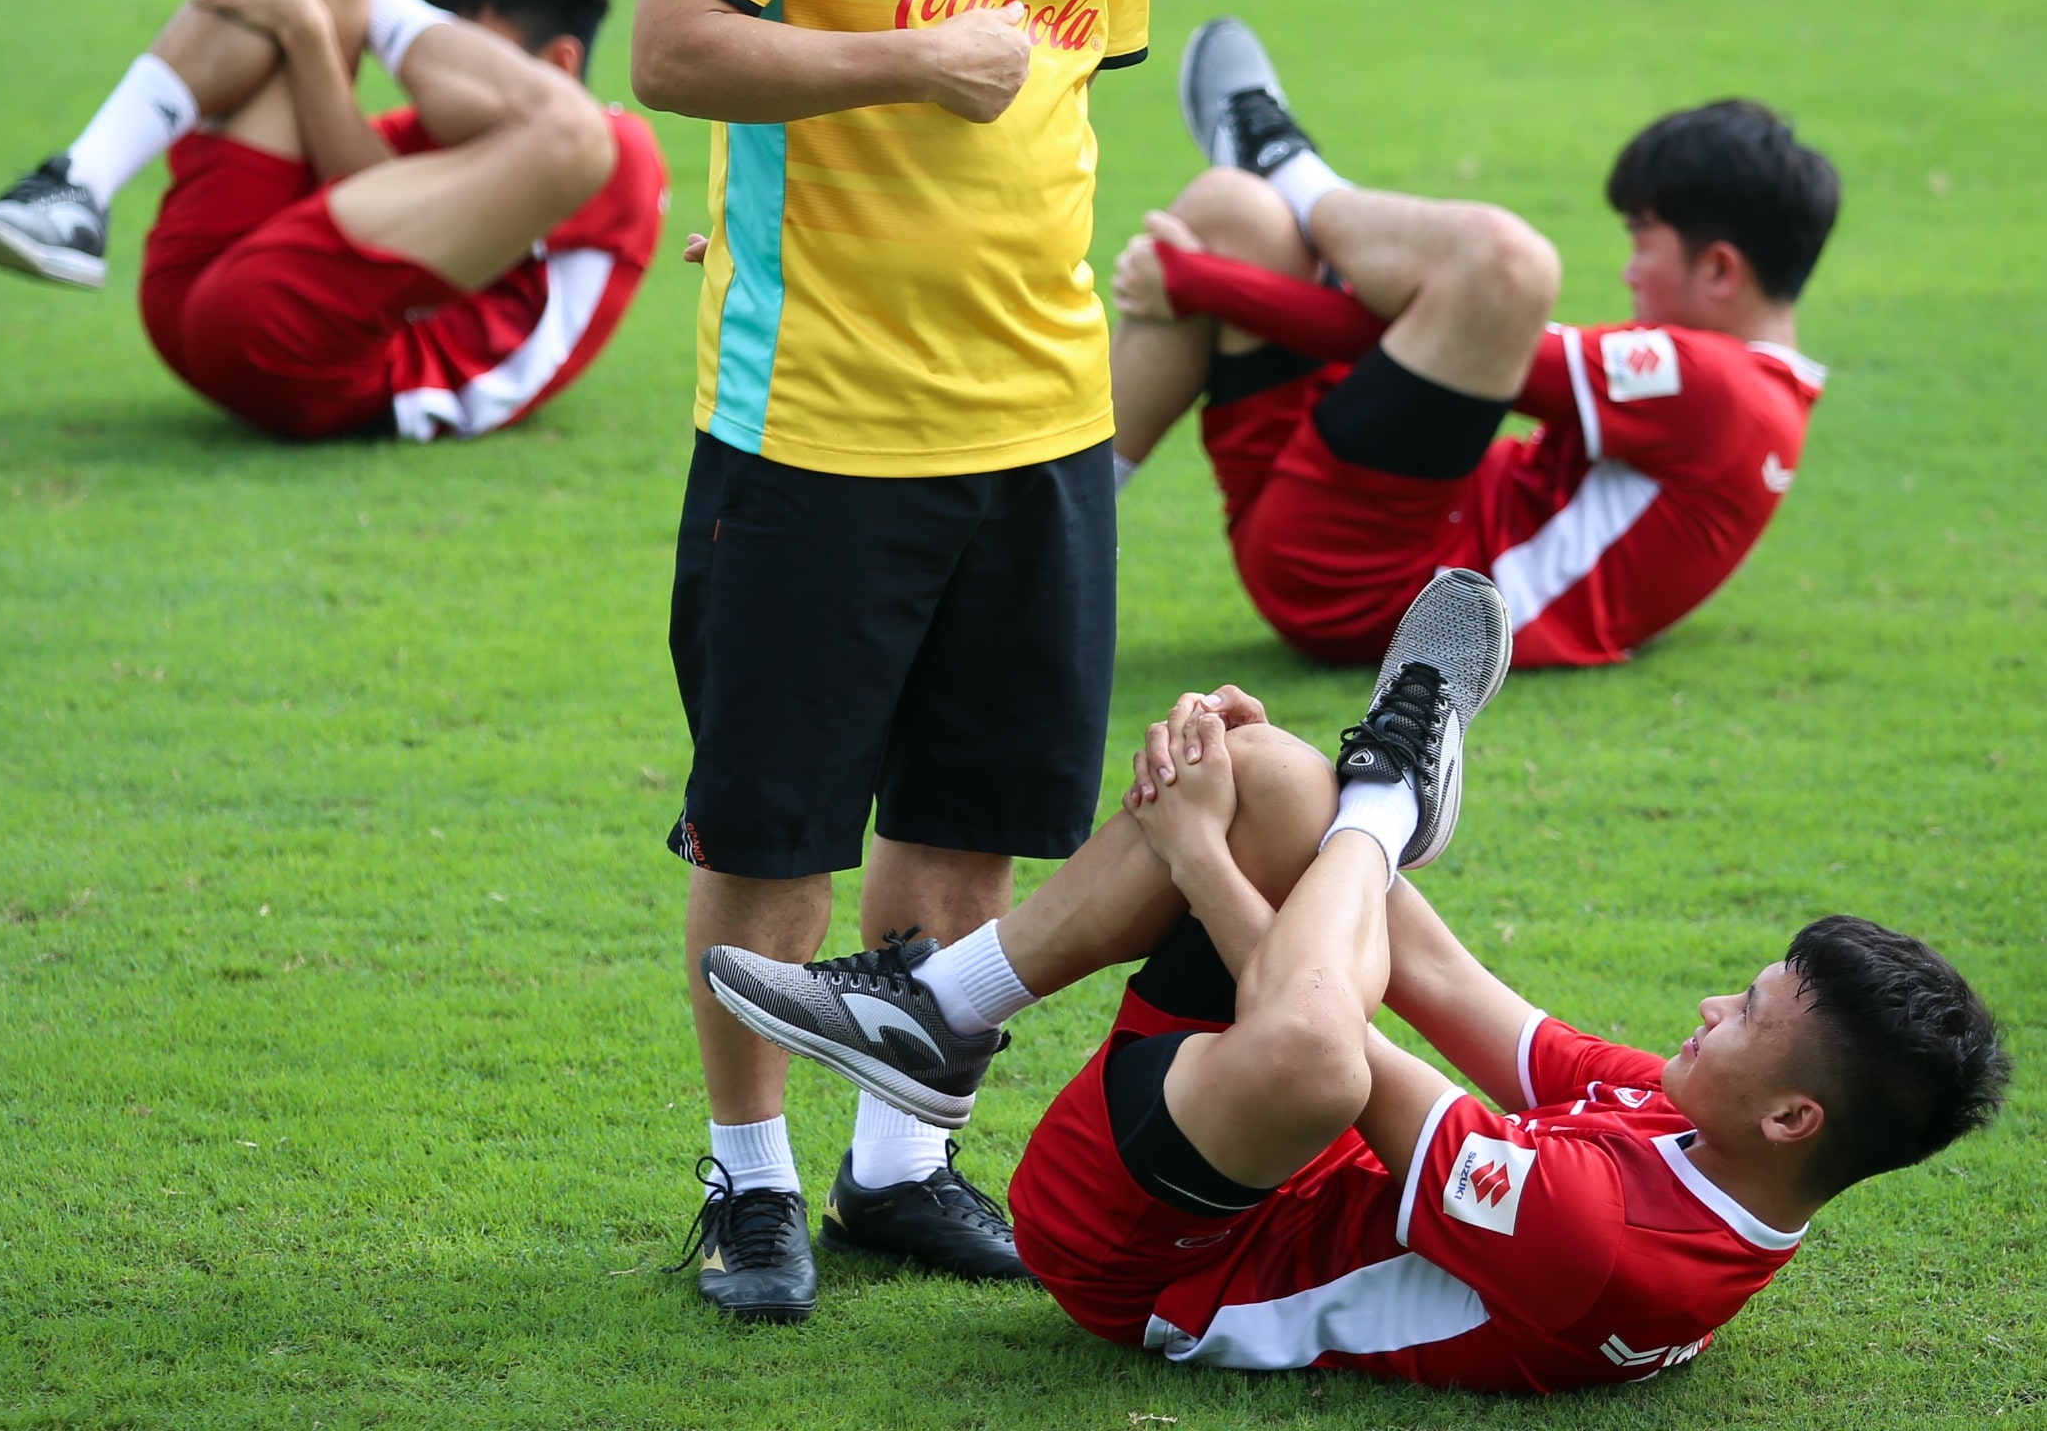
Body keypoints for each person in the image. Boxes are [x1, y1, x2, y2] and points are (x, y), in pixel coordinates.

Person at [702, 572, 2008, 1394]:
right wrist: (1277, 799)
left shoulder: (1610, 1250)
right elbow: (1431, 973)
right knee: (1276, 778)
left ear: (1793, 1117)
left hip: (1142, 1257)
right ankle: (940, 1008)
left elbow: (1322, 1027)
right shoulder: (1701, 1123)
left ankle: (1388, 794)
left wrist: (1205, 850)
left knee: (1321, 1047)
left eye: (1748, 1016)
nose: (1712, 1011)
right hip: (1239, 1123)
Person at [632, 0, 1216, 1317]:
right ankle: (747, 1184)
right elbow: (670, 52)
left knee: (970, 819)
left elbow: (1051, 114)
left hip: (1039, 418)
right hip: (816, 422)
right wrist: (903, 58)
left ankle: (898, 1166)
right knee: (773, 837)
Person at [1107, 16, 1842, 666]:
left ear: (1719, 270)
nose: (1628, 269)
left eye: (1641, 239)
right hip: (1357, 530)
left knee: (1506, 265)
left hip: (1380, 592)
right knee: (1231, 211)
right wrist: (1200, 280)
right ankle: (1065, 519)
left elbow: (1441, 331)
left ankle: (1280, 157)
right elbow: (1437, 345)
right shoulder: (1760, 403)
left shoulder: (1725, 391)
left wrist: (1198, 284)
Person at [0, 0, 668, 443]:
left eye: (457, 40)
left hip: (340, 374)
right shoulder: (442, 133)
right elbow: (351, 206)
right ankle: (78, 185)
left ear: (559, 65)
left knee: (572, 133)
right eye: (431, 29)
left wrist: (310, 27)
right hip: (204, 296)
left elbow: (369, 228)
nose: (435, 64)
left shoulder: (620, 154)